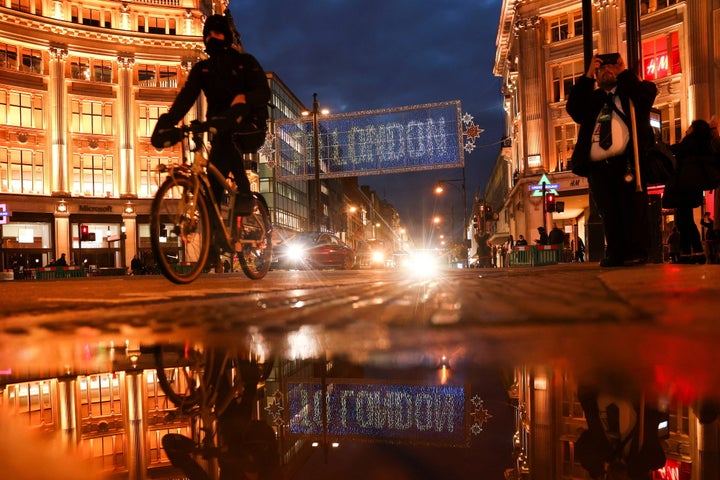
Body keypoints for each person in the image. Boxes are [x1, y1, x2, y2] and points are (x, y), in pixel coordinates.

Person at [151, 13, 271, 216]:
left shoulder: (245, 62)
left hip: (250, 126)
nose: (211, 38)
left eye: (216, 33)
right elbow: (186, 98)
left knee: (227, 138)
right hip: (219, 126)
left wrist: (244, 97)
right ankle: (215, 243)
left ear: (226, 35)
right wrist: (168, 122)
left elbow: (263, 92)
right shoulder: (202, 69)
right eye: (207, 35)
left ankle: (244, 192)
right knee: (213, 192)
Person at [567, 53, 657, 267]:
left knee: (632, 208)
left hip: (627, 162)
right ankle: (615, 252)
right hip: (600, 166)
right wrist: (587, 76)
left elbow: (646, 97)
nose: (607, 70)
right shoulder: (594, 100)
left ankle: (636, 251)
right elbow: (575, 108)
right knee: (608, 210)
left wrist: (624, 72)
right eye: (602, 69)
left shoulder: (632, 94)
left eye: (612, 67)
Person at [669, 120, 714, 264]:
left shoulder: (690, 142)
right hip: (693, 187)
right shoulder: (703, 144)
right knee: (685, 220)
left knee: (684, 221)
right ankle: (688, 253)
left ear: (694, 129)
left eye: (689, 127)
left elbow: (675, 149)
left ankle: (694, 252)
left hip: (685, 186)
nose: (686, 130)